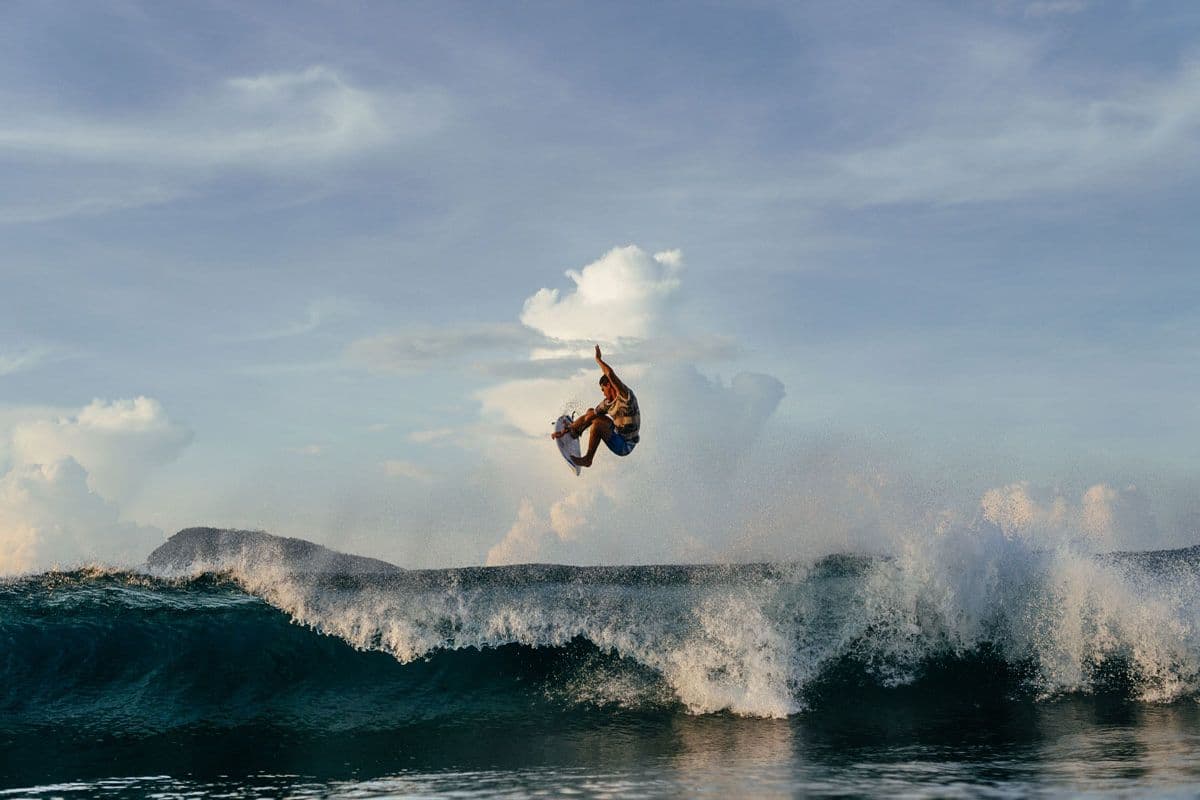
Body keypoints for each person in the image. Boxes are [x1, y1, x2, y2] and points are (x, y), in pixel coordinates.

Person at [552, 345, 640, 469]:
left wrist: (598, 360)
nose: (603, 392)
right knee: (591, 412)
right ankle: (574, 432)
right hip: (617, 433)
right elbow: (590, 416)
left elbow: (610, 374)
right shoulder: (607, 403)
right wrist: (567, 430)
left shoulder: (625, 397)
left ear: (609, 385)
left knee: (597, 424)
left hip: (625, 445)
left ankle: (588, 459)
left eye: (603, 389)